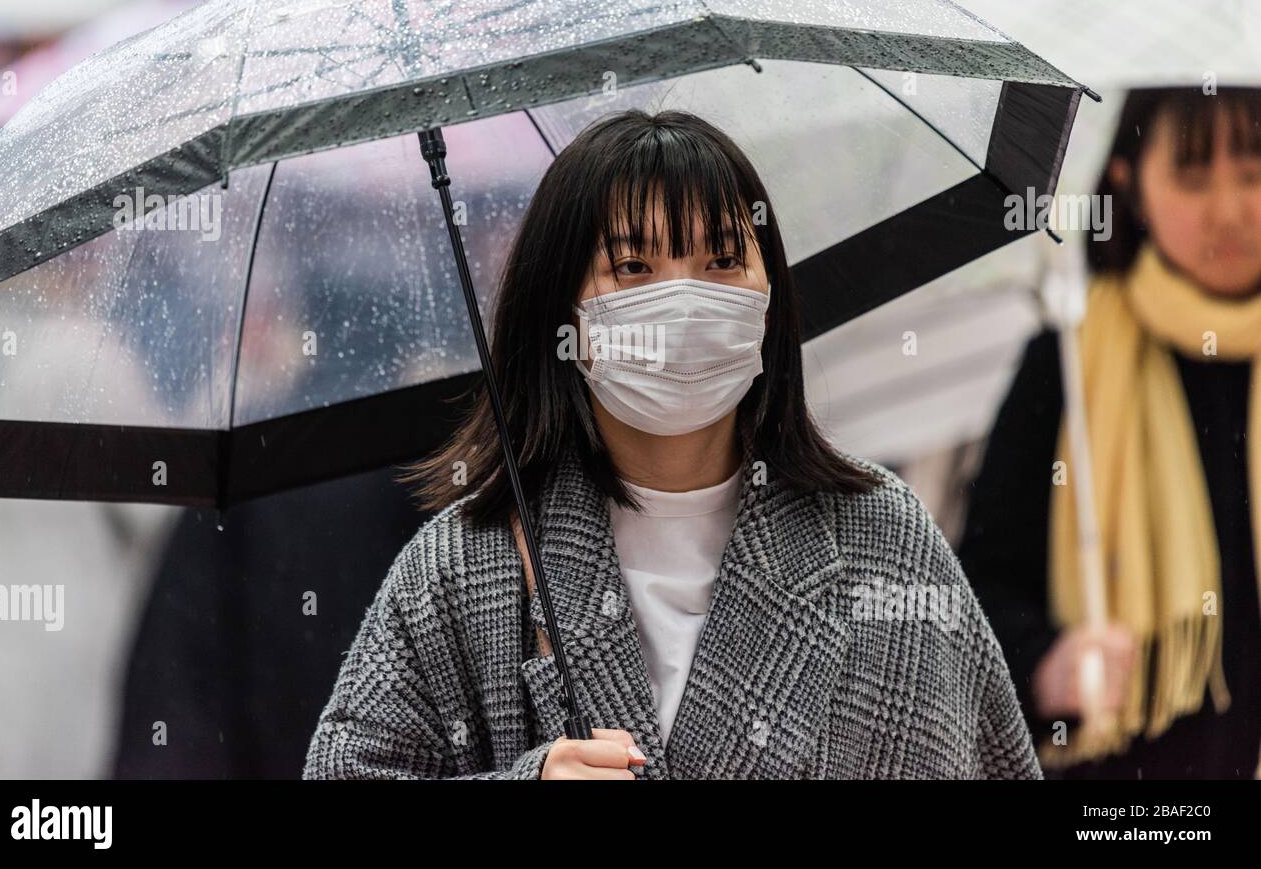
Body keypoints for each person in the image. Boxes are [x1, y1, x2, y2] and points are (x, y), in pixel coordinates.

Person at [303, 109, 1040, 779]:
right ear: (562, 306)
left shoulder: (881, 537)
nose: (685, 299)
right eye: (634, 267)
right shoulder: (467, 565)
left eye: (722, 260)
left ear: (769, 289)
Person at [959, 87, 1261, 778]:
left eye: (1252, 171)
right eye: (1193, 175)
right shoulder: (1066, 365)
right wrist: (1047, 664)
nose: (1230, 208)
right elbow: (977, 591)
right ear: (1128, 181)